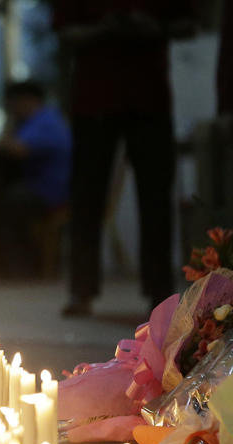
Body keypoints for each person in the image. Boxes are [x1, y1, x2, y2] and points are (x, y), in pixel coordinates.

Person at [54, 2, 195, 316]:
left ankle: (159, 291)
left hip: (147, 96)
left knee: (156, 198)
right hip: (96, 98)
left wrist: (153, 29)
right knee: (87, 196)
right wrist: (106, 29)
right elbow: (65, 31)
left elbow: (188, 22)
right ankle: (82, 288)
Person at [0, 80, 71, 276]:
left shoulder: (45, 121)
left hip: (51, 191)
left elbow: (18, 149)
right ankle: (19, 265)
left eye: (13, 104)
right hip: (44, 187)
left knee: (0, 205)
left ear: (27, 100)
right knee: (4, 198)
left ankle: (19, 268)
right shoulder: (43, 120)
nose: (12, 109)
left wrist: (5, 132)